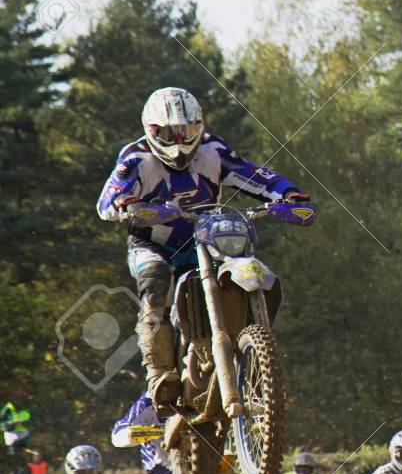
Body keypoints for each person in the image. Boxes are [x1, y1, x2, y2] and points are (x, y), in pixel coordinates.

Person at [96, 87, 310, 409]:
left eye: (187, 131)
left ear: (199, 126)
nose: (179, 143)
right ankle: (160, 375)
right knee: (154, 280)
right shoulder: (135, 158)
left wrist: (288, 194)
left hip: (205, 240)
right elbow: (106, 201)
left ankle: (249, 347)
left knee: (242, 260)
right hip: (152, 244)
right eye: (169, 134)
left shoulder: (213, 150)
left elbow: (255, 174)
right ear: (152, 130)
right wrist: (127, 204)